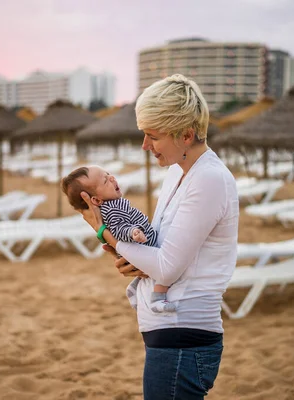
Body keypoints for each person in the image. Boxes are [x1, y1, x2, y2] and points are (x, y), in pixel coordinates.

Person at [77, 73, 239, 399]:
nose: (145, 145)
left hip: (184, 337)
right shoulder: (177, 172)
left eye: (152, 136)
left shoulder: (209, 179)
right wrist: (132, 260)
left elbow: (166, 268)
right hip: (169, 334)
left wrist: (104, 233)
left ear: (186, 135)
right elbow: (161, 247)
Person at [61, 165, 176, 313]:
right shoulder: (110, 210)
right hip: (141, 245)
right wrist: (132, 232)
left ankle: (134, 290)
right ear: (95, 200)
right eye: (105, 181)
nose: (112, 178)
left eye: (109, 174)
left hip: (143, 244)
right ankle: (157, 299)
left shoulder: (113, 204)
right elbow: (119, 229)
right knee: (163, 278)